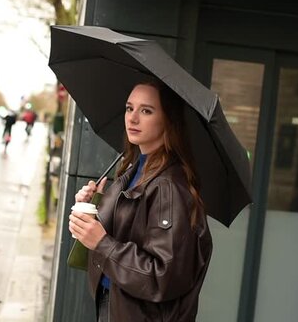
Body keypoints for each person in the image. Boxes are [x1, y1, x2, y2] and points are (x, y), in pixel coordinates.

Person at [69, 80, 212, 322]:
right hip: (114, 306)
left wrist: (102, 243)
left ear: (168, 119)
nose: (132, 118)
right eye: (129, 108)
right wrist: (95, 205)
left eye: (146, 111)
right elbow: (130, 230)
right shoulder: (134, 170)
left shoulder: (169, 188)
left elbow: (161, 277)